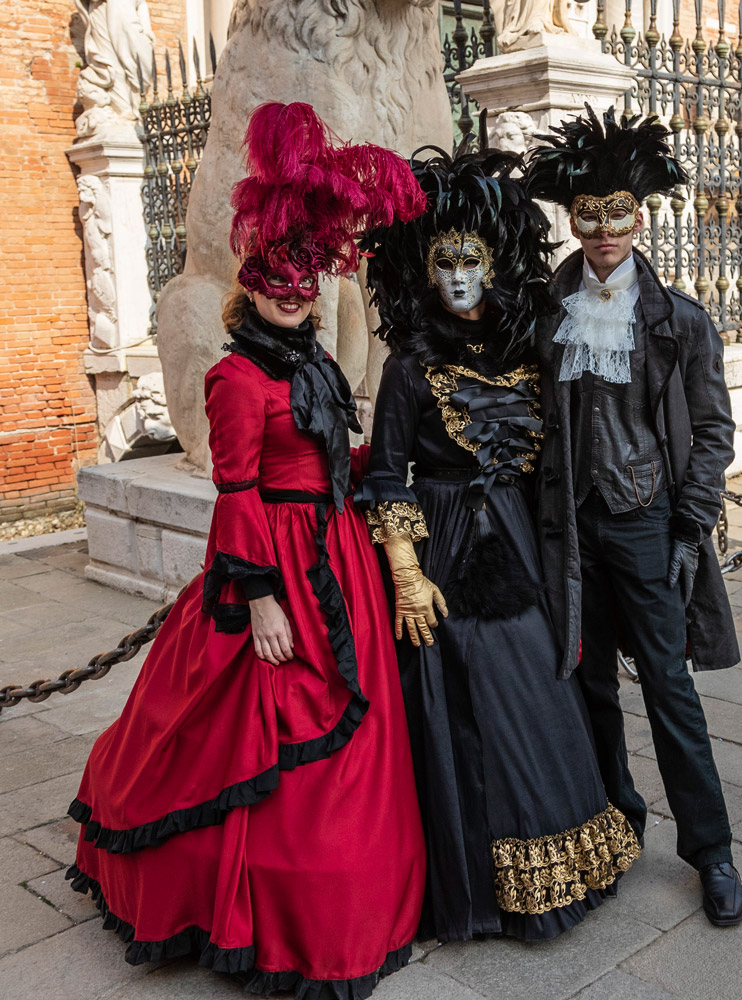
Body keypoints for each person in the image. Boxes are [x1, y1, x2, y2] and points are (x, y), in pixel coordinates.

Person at [66, 102, 428, 998]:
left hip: (335, 553)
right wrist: (262, 597)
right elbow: (237, 490)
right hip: (278, 568)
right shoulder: (234, 375)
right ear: (250, 279)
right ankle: (277, 918)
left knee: (362, 746)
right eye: (277, 277)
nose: (294, 291)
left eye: (308, 277)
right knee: (265, 734)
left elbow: (319, 456)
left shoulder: (311, 363)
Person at [357, 146, 640, 943]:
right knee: (481, 701)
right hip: (451, 546)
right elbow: (387, 475)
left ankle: (568, 845)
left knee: (550, 684)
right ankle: (488, 879)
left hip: (526, 534)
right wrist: (407, 574)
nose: (455, 276)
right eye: (441, 260)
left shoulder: (529, 344)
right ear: (423, 269)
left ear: (496, 261)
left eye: (469, 258)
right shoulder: (410, 365)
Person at [526, 107, 742, 927]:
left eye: (619, 212)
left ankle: (712, 851)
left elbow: (713, 430)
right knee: (588, 688)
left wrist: (689, 524)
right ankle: (618, 826)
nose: (605, 230)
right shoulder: (544, 313)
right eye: (590, 214)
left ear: (640, 216)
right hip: (571, 531)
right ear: (573, 219)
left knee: (668, 689)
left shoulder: (678, 319)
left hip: (647, 526)